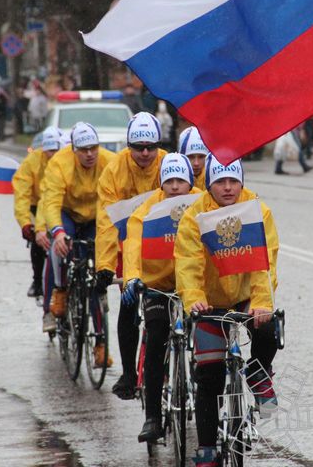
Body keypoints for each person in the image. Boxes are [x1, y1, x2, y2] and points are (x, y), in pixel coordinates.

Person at [175, 156, 280, 467]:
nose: (228, 187)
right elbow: (188, 262)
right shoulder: (194, 214)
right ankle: (207, 448)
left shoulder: (257, 210)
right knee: (209, 376)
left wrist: (262, 303)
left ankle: (259, 374)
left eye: (234, 181)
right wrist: (193, 298)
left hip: (248, 295)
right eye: (220, 181)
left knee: (267, 327)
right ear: (209, 184)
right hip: (209, 300)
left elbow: (266, 262)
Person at [122, 153, 201, 443]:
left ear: (189, 182)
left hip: (193, 287)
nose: (175, 186)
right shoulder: (147, 208)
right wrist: (132, 276)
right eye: (169, 181)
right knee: (156, 340)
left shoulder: (202, 203)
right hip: (158, 287)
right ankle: (153, 417)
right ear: (161, 182)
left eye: (181, 180)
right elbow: (132, 243)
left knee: (205, 344)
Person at [95, 111, 167, 399]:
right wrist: (104, 265)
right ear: (128, 146)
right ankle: (128, 373)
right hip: (130, 246)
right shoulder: (113, 171)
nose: (146, 153)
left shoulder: (168, 164)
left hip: (166, 244)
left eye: (151, 146)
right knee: (128, 304)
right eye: (138, 148)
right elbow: (106, 220)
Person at [40, 122, 117, 336]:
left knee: (95, 270)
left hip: (95, 217)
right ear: (74, 150)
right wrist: (58, 232)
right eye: (84, 150)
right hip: (68, 213)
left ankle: (100, 340)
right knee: (60, 246)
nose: (90, 154)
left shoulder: (110, 160)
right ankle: (60, 289)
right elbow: (52, 202)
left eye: (94, 148)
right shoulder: (59, 163)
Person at [13, 126, 62, 298]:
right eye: (49, 151)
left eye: (56, 150)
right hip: (37, 204)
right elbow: (22, 194)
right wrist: (26, 223)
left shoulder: (67, 159)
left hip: (61, 203)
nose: (53, 155)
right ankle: (37, 280)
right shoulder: (31, 162)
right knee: (38, 239)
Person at [178, 126, 209, 190]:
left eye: (201, 157)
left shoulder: (215, 180)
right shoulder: (172, 182)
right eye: (191, 157)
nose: (196, 163)